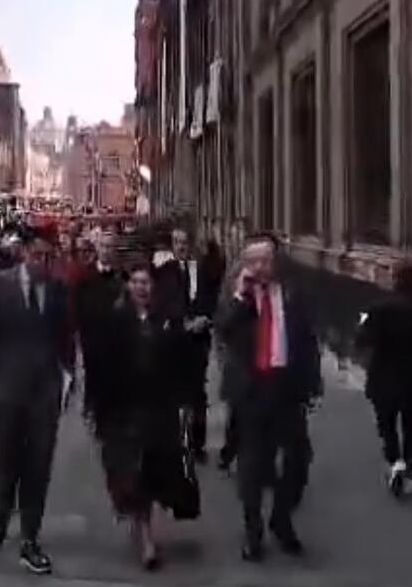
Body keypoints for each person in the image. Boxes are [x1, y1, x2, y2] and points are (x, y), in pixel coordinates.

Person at [0, 225, 74, 575]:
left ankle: (30, 538)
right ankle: (2, 511)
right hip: (5, 391)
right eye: (36, 255)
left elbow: (66, 339)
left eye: (48, 256)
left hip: (44, 394)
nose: (42, 262)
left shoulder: (58, 289)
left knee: (38, 466)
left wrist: (67, 378)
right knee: (6, 463)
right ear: (23, 253)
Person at [215, 232, 321, 562]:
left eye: (265, 259)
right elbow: (224, 329)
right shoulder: (238, 295)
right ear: (244, 264)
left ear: (276, 261)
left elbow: (306, 339)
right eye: (252, 260)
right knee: (251, 467)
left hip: (286, 389)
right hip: (251, 391)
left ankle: (281, 518)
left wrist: (312, 383)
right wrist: (241, 297)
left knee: (298, 462)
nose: (259, 266)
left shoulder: (291, 293)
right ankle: (253, 532)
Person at [90, 263, 193, 570]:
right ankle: (144, 534)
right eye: (135, 282)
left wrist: (185, 402)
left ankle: (143, 525)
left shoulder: (167, 320)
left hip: (158, 410)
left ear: (153, 286)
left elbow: (181, 363)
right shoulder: (114, 321)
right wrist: (98, 410)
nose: (141, 287)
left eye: (145, 282)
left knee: (151, 471)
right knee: (130, 473)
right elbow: (100, 368)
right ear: (128, 286)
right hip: (123, 411)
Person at [355, 260, 412, 497]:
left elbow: (362, 340)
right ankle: (411, 469)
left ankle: (395, 461)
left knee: (386, 423)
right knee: (411, 424)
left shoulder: (379, 309)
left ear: (395, 281)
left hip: (383, 378)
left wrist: (363, 323)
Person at [155, 227, 223, 463]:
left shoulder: (202, 270)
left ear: (190, 244)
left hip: (198, 339)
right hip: (176, 339)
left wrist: (205, 318)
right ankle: (175, 441)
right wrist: (181, 322)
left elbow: (213, 296)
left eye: (184, 242)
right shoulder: (165, 272)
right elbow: (163, 302)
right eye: (177, 242)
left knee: (197, 394)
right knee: (174, 392)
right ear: (172, 246)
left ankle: (197, 444)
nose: (181, 246)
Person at [75, 230, 125, 418]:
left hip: (115, 341)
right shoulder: (86, 276)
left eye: (110, 247)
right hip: (93, 340)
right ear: (97, 249)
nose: (106, 250)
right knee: (94, 377)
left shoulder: (121, 277)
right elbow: (80, 307)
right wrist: (84, 336)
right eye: (103, 246)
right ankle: (93, 409)